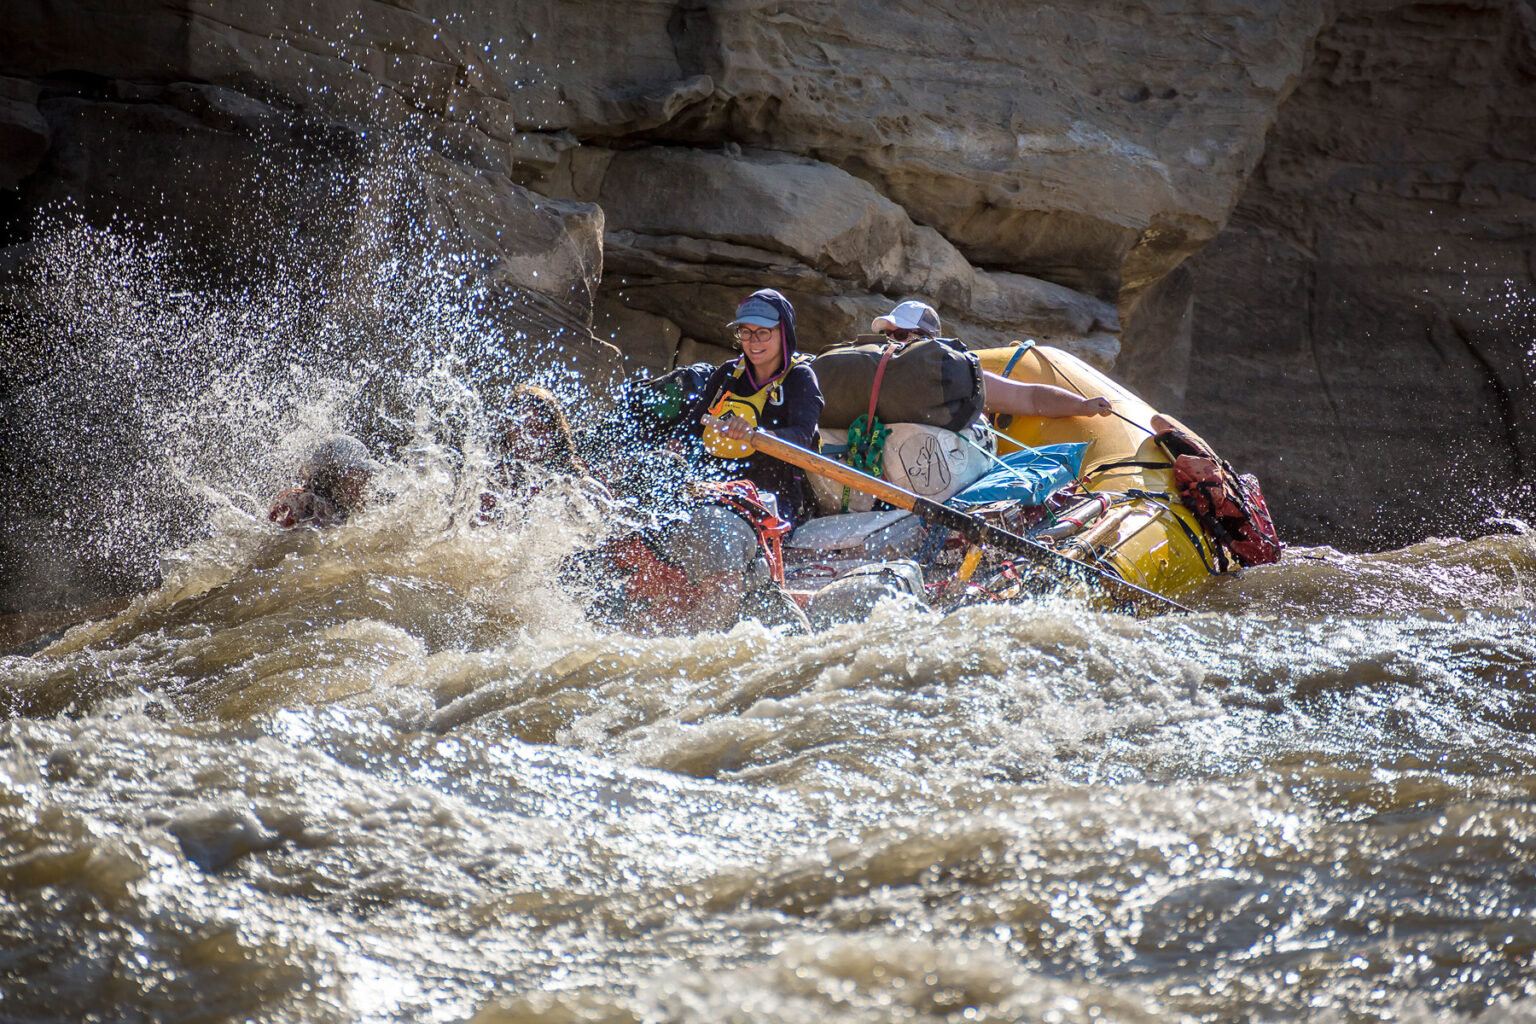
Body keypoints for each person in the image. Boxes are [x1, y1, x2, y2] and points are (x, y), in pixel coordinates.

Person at [682, 288, 825, 527]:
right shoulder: (728, 373)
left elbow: (802, 436)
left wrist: (756, 434)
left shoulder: (800, 378)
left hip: (773, 498)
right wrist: (672, 452)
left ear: (784, 333)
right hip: (714, 486)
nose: (753, 341)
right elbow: (692, 425)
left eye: (763, 332)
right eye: (746, 332)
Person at [871, 300, 1114, 420]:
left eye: (900, 335)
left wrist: (1082, 406)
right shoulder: (870, 370)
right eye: (887, 335)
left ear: (927, 339)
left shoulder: (957, 375)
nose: (891, 342)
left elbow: (1029, 397)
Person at [267, 434, 384, 528]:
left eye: (366, 475)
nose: (365, 482)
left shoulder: (353, 507)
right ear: (335, 476)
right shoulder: (297, 504)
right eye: (359, 475)